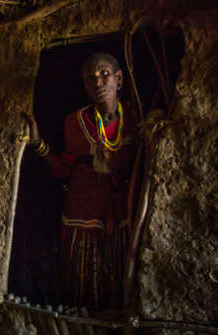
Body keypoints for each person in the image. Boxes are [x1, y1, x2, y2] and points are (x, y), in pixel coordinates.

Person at [24, 53, 136, 311]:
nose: (98, 81)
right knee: (81, 274)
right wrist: (38, 143)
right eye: (90, 78)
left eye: (104, 74)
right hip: (81, 207)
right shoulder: (74, 122)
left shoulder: (135, 116)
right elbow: (64, 168)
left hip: (122, 207)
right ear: (85, 86)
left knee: (122, 268)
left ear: (119, 78)